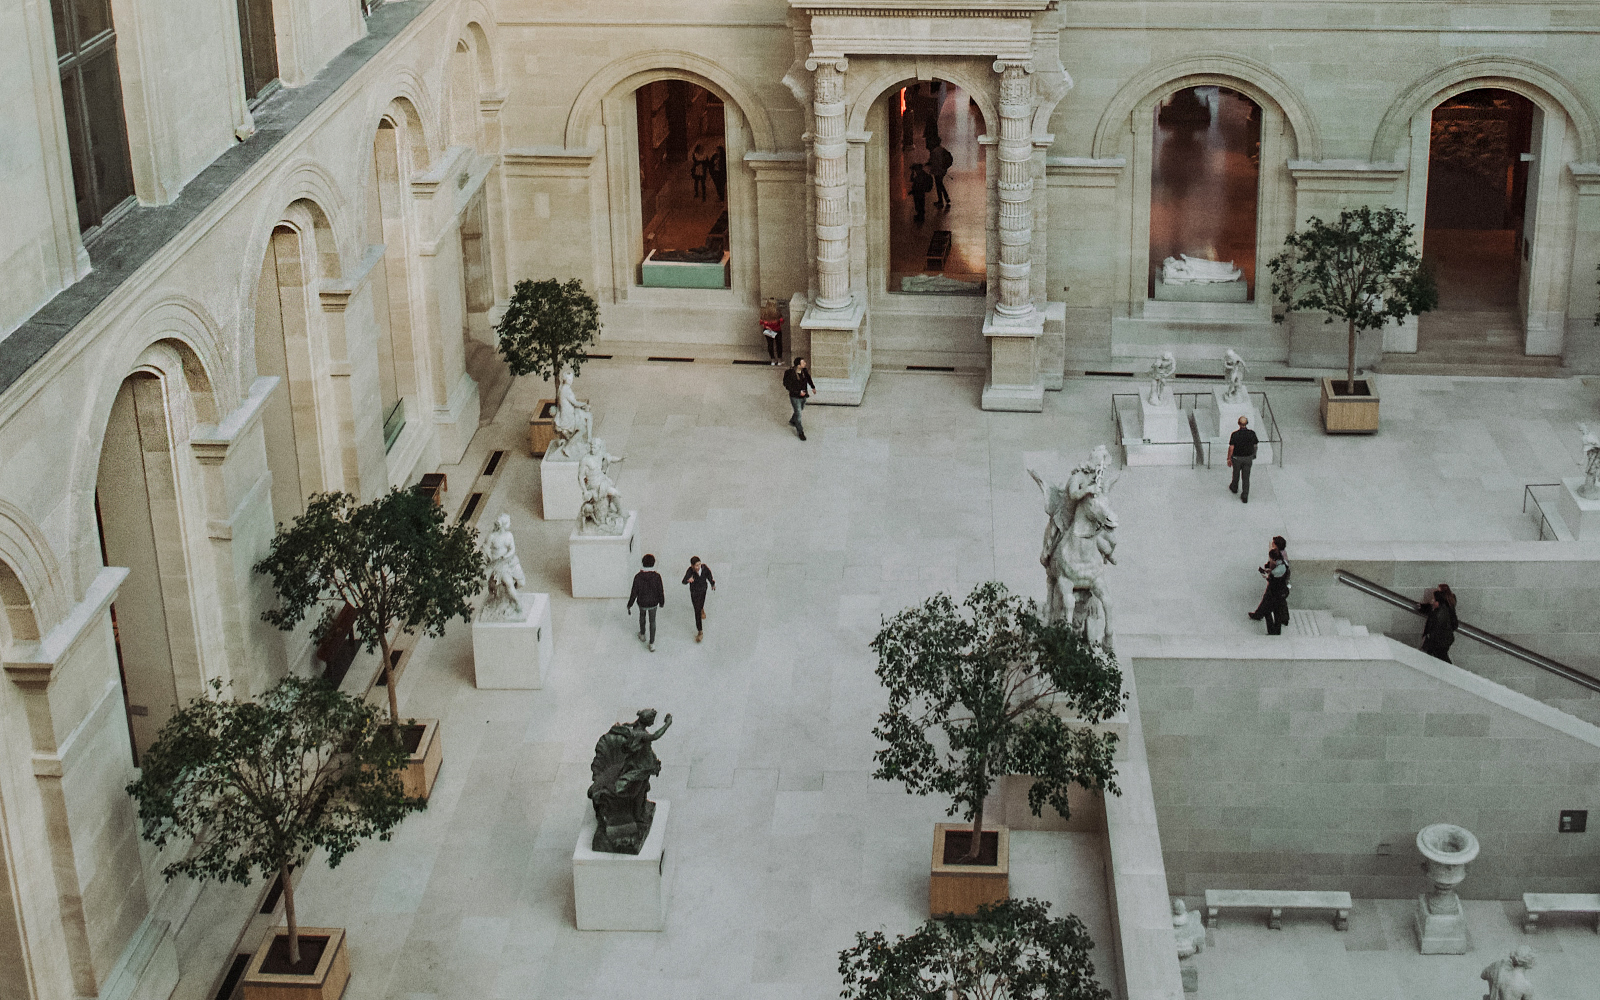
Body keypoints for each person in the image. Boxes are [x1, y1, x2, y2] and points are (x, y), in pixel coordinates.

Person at [627, 554, 665, 651]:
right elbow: (660, 591)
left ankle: (642, 634)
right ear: (653, 563)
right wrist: (661, 602)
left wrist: (629, 604)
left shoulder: (638, 577)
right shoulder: (657, 576)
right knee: (652, 621)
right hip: (653, 603)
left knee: (642, 617)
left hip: (642, 603)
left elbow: (634, 592)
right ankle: (652, 643)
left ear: (643, 563)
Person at [1248, 535, 1288, 621]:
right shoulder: (1281, 553)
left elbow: (1275, 574)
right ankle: (1285, 618)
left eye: (1274, 543)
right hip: (1280, 585)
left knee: (1268, 599)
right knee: (1281, 602)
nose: (1272, 543)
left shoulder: (1280, 560)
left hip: (1276, 585)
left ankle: (1258, 615)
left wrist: (1268, 574)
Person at [1420, 583, 1458, 663]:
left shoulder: (1440, 612)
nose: (1432, 601)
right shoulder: (1447, 606)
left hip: (1439, 640)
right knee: (1440, 656)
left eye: (1434, 599)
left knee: (1439, 656)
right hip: (1444, 639)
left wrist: (1428, 636)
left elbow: (1434, 625)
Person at [681, 557, 716, 642]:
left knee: (701, 604)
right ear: (692, 566)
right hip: (694, 592)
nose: (698, 567)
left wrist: (712, 584)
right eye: (696, 565)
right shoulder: (690, 571)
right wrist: (688, 580)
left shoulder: (704, 568)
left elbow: (709, 575)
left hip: (703, 589)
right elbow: (683, 581)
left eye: (699, 564)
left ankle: (701, 608)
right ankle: (700, 631)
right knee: (697, 610)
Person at [1258, 545, 1290, 635]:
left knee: (1268, 611)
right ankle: (1277, 629)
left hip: (1276, 593)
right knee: (1277, 612)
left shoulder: (1278, 570)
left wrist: (1267, 576)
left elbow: (1273, 579)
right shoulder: (1282, 565)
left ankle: (1273, 631)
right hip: (1281, 592)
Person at [1226, 415, 1259, 503]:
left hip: (1237, 458)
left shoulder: (1235, 434)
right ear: (1247, 423)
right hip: (1248, 458)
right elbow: (1255, 445)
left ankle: (1234, 487)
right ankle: (1245, 495)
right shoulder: (1252, 433)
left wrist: (1229, 458)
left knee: (1236, 474)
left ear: (1238, 424)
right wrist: (1254, 455)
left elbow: (1231, 448)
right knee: (1246, 477)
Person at [782, 357, 816, 441]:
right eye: (803, 362)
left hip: (803, 395)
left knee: (800, 409)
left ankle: (793, 420)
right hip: (795, 396)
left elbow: (808, 378)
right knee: (799, 414)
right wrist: (798, 392)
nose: (805, 363)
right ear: (798, 365)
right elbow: (787, 385)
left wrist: (813, 387)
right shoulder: (790, 373)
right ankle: (800, 432)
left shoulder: (804, 371)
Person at [926, 136, 954, 209]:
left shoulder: (934, 152)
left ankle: (941, 201)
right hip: (943, 170)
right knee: (940, 184)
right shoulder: (942, 149)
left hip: (938, 171)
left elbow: (934, 162)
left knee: (938, 185)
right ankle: (946, 198)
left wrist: (930, 167)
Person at [759, 298, 784, 365]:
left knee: (770, 345)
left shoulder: (764, 312)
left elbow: (761, 322)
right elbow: (782, 321)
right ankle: (779, 360)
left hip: (767, 330)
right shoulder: (777, 312)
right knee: (779, 345)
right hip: (777, 330)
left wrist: (767, 326)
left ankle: (772, 360)